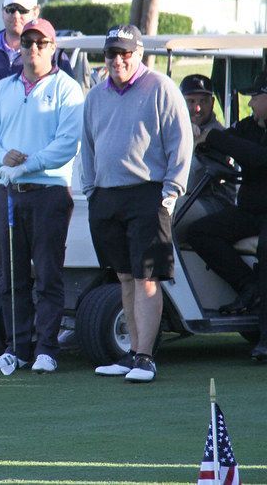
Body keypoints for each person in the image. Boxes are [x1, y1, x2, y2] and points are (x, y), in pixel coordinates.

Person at [80, 25, 192, 383]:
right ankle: (131, 354)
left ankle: (145, 357)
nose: (118, 60)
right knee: (125, 277)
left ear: (138, 53)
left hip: (149, 193)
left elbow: (180, 142)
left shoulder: (161, 88)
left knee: (146, 279)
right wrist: (90, 189)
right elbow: (88, 146)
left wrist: (171, 192)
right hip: (107, 195)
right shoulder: (96, 96)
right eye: (112, 53)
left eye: (125, 53)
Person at [0, 19, 84, 374]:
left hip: (49, 193)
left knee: (48, 275)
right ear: (19, 47)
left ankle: (46, 349)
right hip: (8, 192)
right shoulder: (6, 88)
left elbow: (66, 144)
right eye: (27, 42)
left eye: (41, 43)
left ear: (53, 48)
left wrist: (27, 165)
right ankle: (17, 348)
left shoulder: (67, 89)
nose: (33, 48)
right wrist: (1, 158)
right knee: (12, 276)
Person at [186, 72, 267, 351]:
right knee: (200, 232)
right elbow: (223, 139)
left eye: (255, 98)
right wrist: (205, 139)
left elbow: (257, 158)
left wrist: (214, 137)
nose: (251, 103)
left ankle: (265, 339)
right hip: (251, 212)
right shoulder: (249, 127)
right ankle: (249, 286)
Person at [172, 74, 237, 242]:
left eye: (203, 101)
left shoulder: (219, 136)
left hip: (214, 202)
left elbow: (191, 180)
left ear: (213, 103)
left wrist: (190, 143)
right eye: (191, 102)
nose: (197, 108)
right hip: (185, 198)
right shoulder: (172, 130)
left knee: (164, 214)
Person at [0, 0, 73, 82]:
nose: (16, 15)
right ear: (2, 10)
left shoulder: (55, 56)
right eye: (10, 9)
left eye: (22, 10)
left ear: (36, 12)